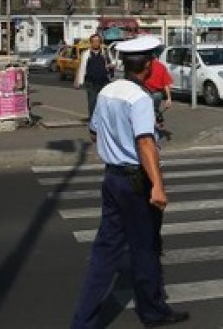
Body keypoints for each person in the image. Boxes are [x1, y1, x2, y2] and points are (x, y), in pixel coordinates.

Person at [71, 35, 189, 328]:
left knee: (104, 253)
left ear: (124, 64)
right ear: (148, 65)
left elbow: (94, 133)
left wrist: (115, 143)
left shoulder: (108, 91)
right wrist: (158, 186)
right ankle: (153, 312)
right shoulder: (140, 98)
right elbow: (146, 144)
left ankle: (82, 322)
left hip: (112, 178)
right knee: (145, 246)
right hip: (136, 181)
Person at [74, 34, 114, 120]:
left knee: (104, 102)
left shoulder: (105, 52)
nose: (96, 43)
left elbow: (113, 63)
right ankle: (93, 122)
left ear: (100, 42)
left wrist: (111, 65)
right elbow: (81, 67)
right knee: (92, 102)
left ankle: (103, 120)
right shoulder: (86, 54)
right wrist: (77, 80)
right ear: (91, 43)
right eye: (94, 41)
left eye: (98, 41)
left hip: (104, 81)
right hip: (90, 82)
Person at [144, 47, 173, 131]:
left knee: (148, 112)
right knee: (154, 109)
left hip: (147, 92)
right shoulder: (161, 67)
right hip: (158, 94)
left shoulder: (146, 66)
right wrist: (169, 98)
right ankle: (158, 120)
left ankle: (153, 125)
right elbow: (166, 84)